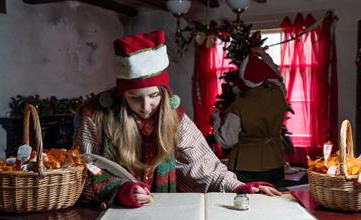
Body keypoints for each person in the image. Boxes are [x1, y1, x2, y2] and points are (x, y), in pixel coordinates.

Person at [73, 30, 281, 208]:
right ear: (121, 94)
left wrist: (237, 186)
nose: (146, 108)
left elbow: (203, 164)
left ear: (164, 93)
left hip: (164, 213)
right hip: (108, 215)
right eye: (134, 98)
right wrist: (118, 190)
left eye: (154, 96)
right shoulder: (97, 116)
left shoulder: (175, 116)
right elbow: (82, 170)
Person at [211, 46, 288, 188]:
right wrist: (264, 56)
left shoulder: (238, 106)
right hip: (274, 161)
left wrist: (216, 122)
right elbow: (276, 76)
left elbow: (226, 140)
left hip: (244, 166)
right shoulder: (278, 93)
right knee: (276, 204)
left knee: (245, 205)